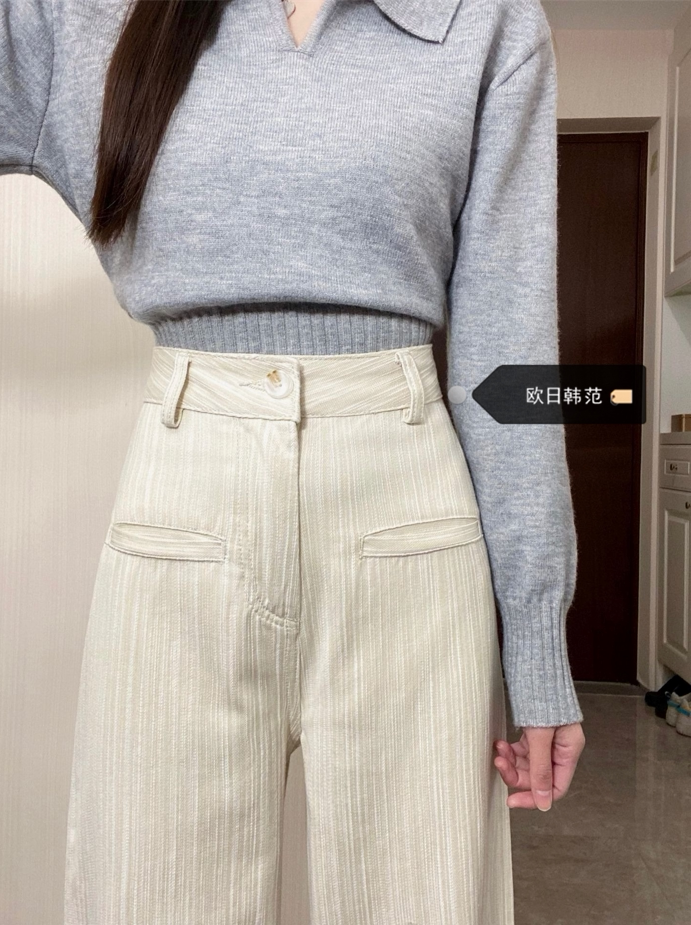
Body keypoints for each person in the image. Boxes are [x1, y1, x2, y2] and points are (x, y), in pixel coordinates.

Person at [1, 0, 587, 922]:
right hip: (184, 494)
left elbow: (510, 357)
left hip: (407, 509)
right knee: (147, 893)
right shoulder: (87, 19)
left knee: (422, 900)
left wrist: (538, 642)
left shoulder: (483, 20)